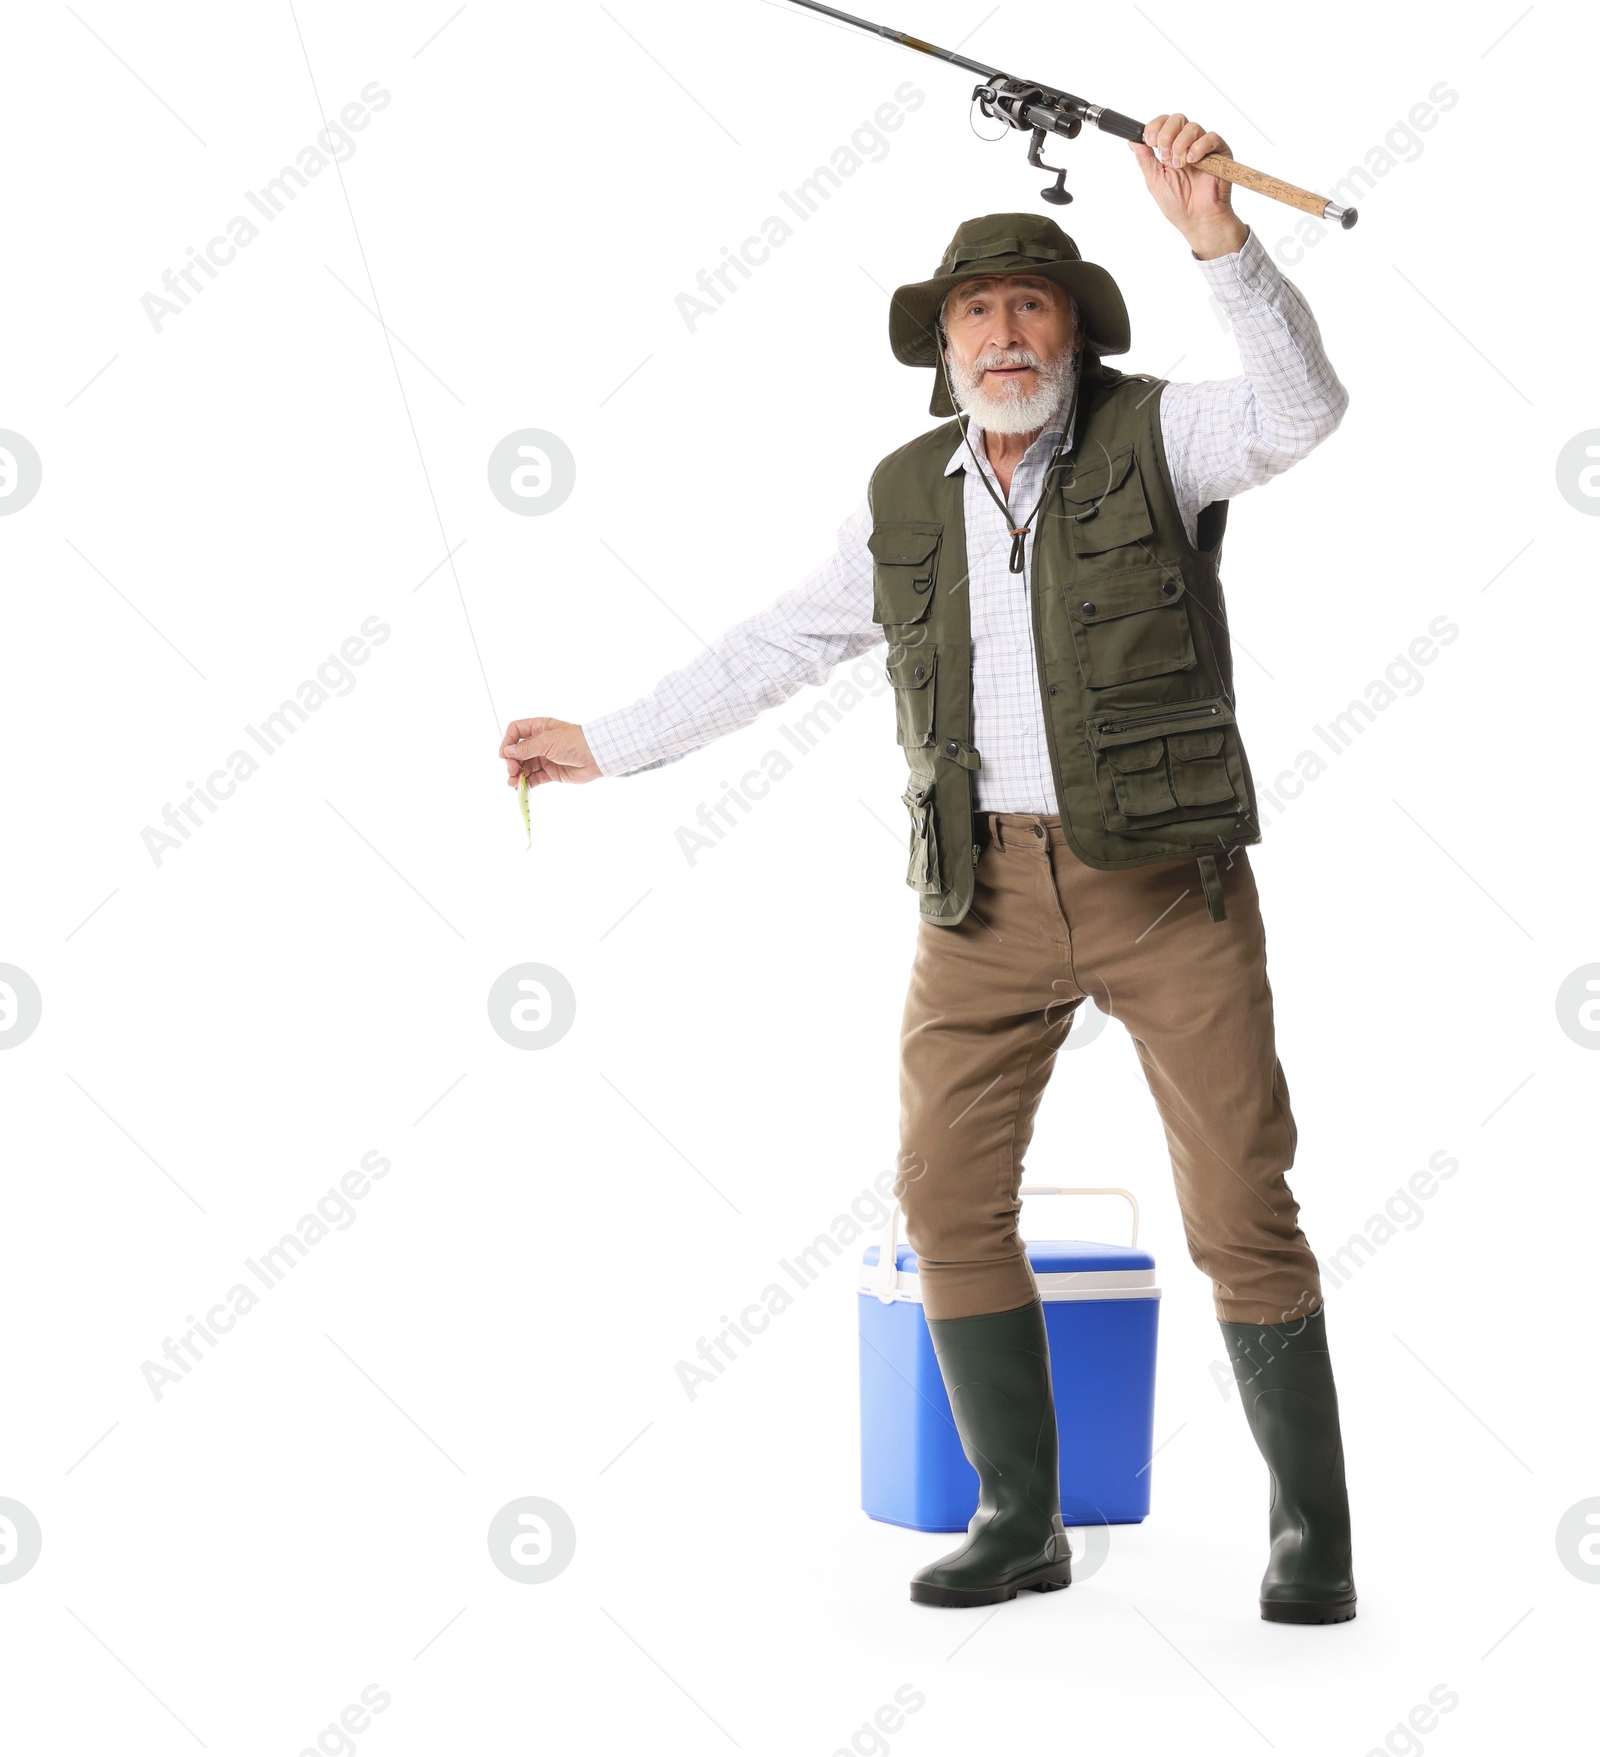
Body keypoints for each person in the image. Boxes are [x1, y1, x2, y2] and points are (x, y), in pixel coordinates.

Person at [500, 113, 1357, 1624]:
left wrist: (1217, 237)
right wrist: (605, 743)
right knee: (945, 1197)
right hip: (982, 902)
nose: (1007, 332)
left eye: (1033, 306)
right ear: (945, 346)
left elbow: (1301, 411)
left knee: (1240, 1205)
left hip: (1170, 887)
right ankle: (1017, 1517)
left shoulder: (1165, 435)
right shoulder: (908, 495)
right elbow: (779, 643)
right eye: (978, 311)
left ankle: (1312, 1534)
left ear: (1076, 331)